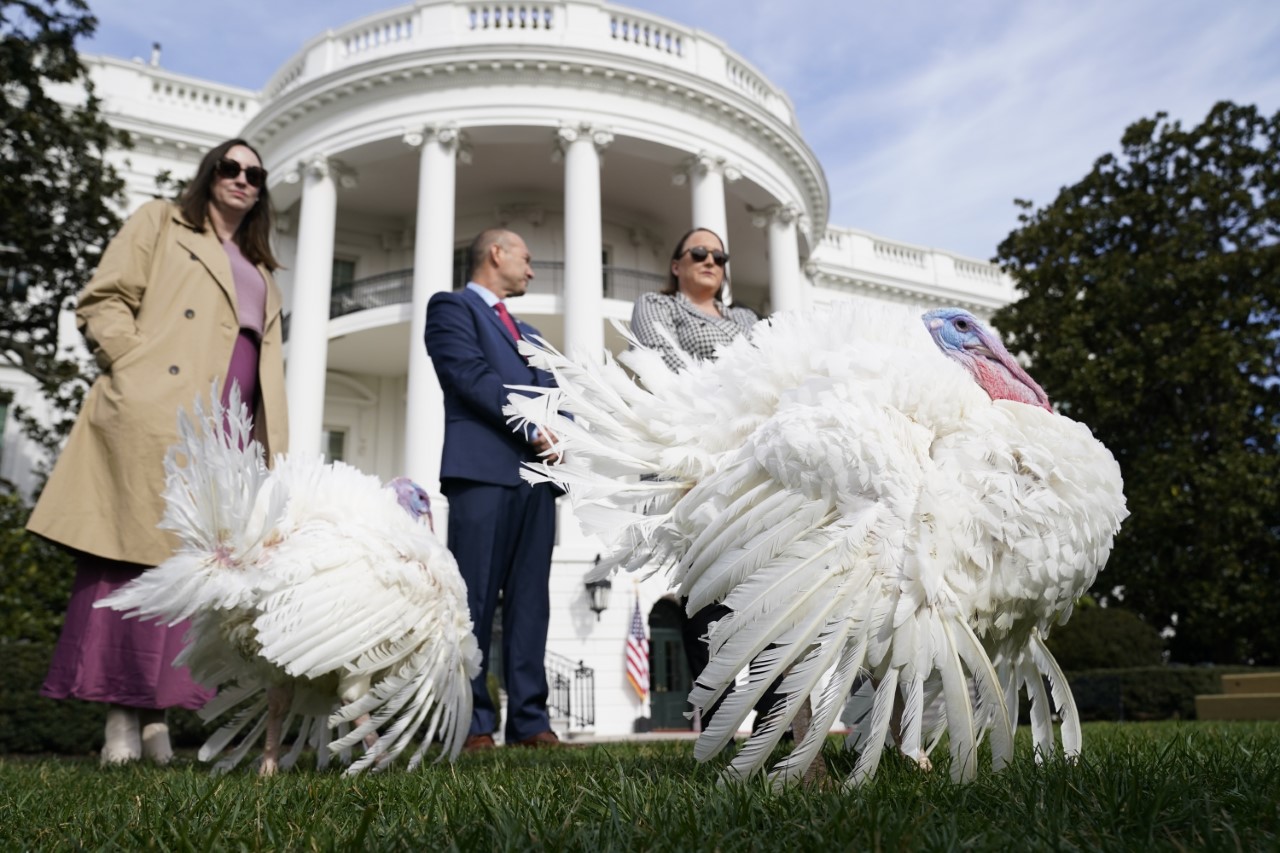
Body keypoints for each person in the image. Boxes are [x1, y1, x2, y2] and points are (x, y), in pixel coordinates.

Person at [28, 138, 289, 764]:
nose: (243, 179)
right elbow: (103, 297)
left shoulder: (261, 267)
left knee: (192, 575)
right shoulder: (159, 222)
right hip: (161, 413)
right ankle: (122, 719)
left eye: (255, 174)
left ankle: (156, 719)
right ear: (210, 174)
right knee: (133, 563)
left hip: (225, 435)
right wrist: (135, 367)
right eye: (231, 167)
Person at [629, 227, 781, 733]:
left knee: (768, 581)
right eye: (699, 252)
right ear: (677, 264)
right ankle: (715, 713)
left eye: (720, 255)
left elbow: (774, 368)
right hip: (692, 458)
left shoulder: (744, 317)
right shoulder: (657, 306)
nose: (711, 260)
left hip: (752, 458)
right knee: (705, 590)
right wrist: (742, 387)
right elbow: (662, 359)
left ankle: (775, 711)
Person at [424, 228, 565, 751]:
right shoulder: (451, 308)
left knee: (532, 603)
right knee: (474, 599)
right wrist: (532, 426)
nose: (531, 270)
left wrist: (562, 434)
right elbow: (468, 374)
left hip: (537, 478)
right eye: (526, 259)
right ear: (496, 253)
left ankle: (530, 722)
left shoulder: (528, 331)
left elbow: (556, 391)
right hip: (482, 473)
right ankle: (473, 721)